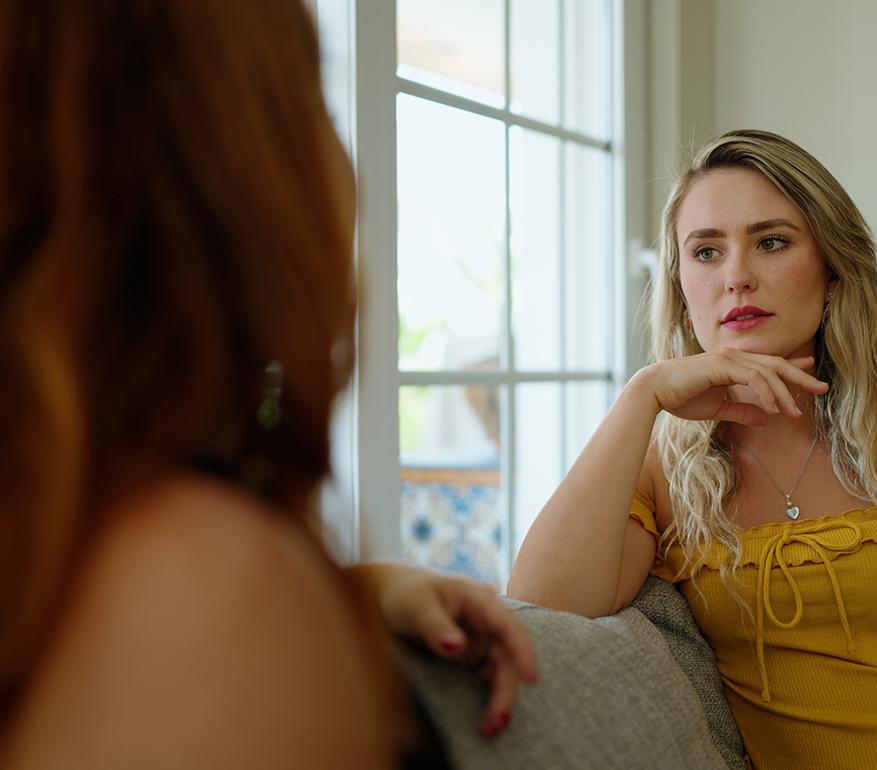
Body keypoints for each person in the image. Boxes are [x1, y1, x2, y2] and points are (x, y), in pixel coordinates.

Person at [0, 1, 536, 767]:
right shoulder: (202, 589)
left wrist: (369, 587)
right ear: (218, 157)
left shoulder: (67, 516)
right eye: (312, 90)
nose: (349, 163)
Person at [508, 129, 877, 769]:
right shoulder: (661, 473)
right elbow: (542, 610)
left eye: (771, 242)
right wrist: (642, 397)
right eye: (705, 252)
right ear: (681, 287)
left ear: (833, 271)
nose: (737, 278)